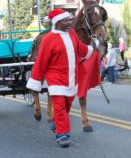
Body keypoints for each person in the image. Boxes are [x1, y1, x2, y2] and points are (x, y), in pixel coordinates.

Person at [26, 9, 97, 148]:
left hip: (71, 80)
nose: (69, 22)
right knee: (59, 108)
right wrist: (35, 81)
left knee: (66, 106)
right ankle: (63, 135)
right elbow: (40, 63)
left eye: (69, 20)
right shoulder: (48, 40)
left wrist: (92, 48)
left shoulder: (72, 34)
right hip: (56, 80)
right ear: (57, 23)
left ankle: (59, 124)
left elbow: (81, 49)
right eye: (66, 20)